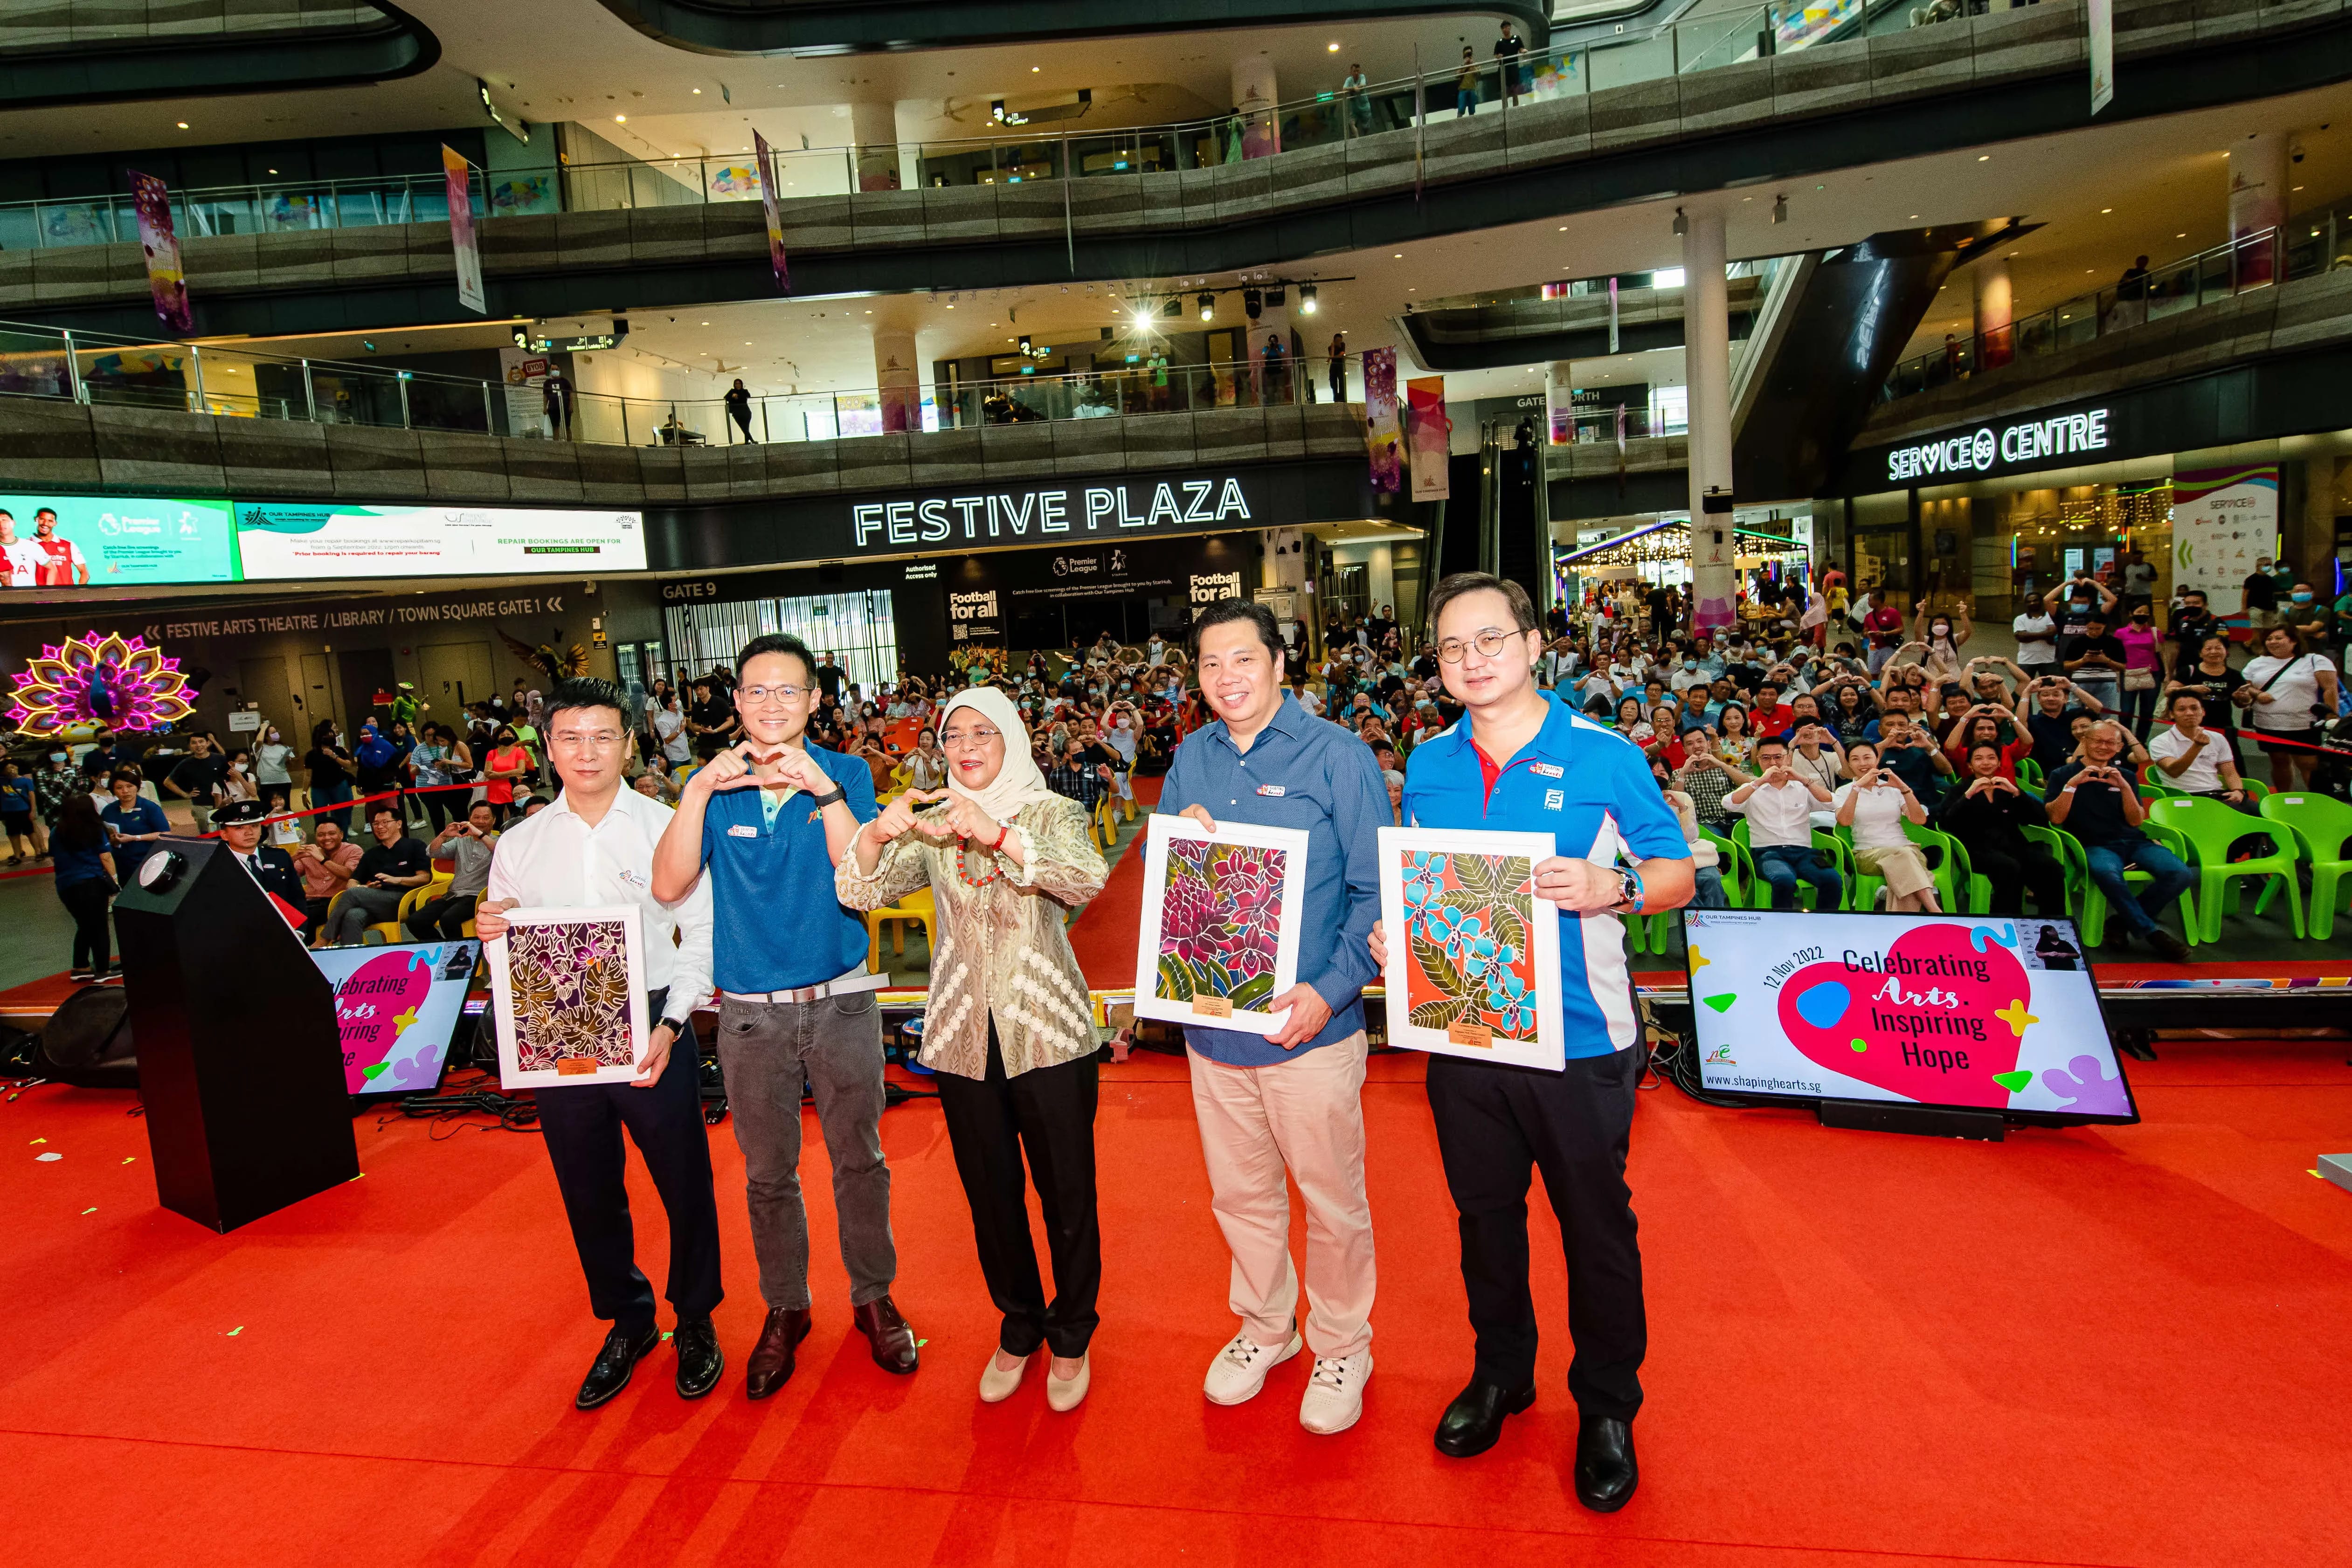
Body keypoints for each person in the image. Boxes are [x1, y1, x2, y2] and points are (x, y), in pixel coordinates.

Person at [1377, 572, 1692, 1508]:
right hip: (1464, 1032)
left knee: (1595, 1227)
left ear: (1531, 642)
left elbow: (1674, 869)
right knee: (1483, 1219)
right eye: (1450, 649)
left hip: (1583, 1041)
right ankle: (1502, 1372)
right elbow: (1424, 880)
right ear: (1435, 667)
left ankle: (1605, 1404)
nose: (1471, 660)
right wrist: (1401, 932)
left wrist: (1616, 889)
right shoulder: (1427, 763)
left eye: (1489, 640)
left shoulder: (1602, 755)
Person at [650, 632, 920, 1397]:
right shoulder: (706, 782)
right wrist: (698, 790)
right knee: (768, 1174)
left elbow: (858, 880)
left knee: (859, 1160)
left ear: (813, 699)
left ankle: (873, 1295)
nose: (772, 705)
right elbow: (669, 886)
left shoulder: (847, 772)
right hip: (748, 1015)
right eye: (756, 691)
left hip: (840, 998)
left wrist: (824, 793)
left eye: (788, 691)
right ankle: (786, 1306)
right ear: (735, 701)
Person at [837, 688, 1108, 1411]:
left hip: (1049, 1032)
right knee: (991, 1196)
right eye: (954, 732)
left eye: (984, 732)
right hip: (961, 1037)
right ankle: (1020, 1323)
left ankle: (1073, 1331)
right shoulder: (931, 823)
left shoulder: (1051, 811)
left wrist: (998, 833)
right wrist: (877, 832)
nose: (967, 745)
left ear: (1012, 738)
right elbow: (859, 890)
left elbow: (1085, 876)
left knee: (1068, 1194)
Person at [1160, 598, 1388, 1436]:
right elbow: (1178, 890)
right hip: (1214, 1028)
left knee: (1331, 1201)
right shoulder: (1190, 755)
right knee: (1240, 1197)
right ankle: (1265, 1326)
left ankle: (1340, 1341)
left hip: (1310, 1032)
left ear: (1279, 664)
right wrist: (1170, 845)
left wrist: (1327, 991)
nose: (1227, 678)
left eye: (1243, 660)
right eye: (1211, 664)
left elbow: (1373, 898)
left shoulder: (1339, 757)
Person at [476, 677, 725, 1410]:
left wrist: (674, 1022)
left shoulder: (663, 825)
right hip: (559, 1029)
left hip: (653, 1021)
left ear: (629, 741)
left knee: (684, 1179)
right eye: (572, 737)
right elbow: (504, 950)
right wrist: (497, 930)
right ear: (548, 747)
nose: (588, 751)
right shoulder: (519, 843)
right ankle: (628, 1318)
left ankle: (698, 1318)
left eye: (604, 735)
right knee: (587, 1186)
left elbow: (699, 934)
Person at [2045, 722, 2194, 960]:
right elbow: (2055, 817)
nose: (2103, 747)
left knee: (2181, 873)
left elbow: (2136, 821)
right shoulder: (2062, 775)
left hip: (2134, 842)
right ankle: (2150, 932)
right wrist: (2073, 785)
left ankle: (2120, 922)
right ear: (2085, 741)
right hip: (2093, 845)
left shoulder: (2125, 776)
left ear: (2119, 747)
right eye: (2098, 741)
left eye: (2110, 743)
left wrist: (2124, 787)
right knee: (2108, 874)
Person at [1935, 743, 2066, 917]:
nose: (1986, 763)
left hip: (2013, 845)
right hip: (1975, 849)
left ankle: (2052, 922)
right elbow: (1946, 823)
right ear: (1970, 765)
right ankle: (2005, 920)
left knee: (2051, 867)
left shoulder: (2007, 789)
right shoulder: (1960, 790)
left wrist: (2017, 793)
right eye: (1979, 758)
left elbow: (2038, 819)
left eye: (1991, 758)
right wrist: (1968, 795)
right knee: (2010, 868)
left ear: (1999, 763)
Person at [1725, 735, 1841, 910]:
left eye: (1778, 757)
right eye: (1766, 758)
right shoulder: (1753, 789)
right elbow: (1729, 804)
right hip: (1768, 853)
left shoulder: (1802, 787)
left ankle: (1822, 924)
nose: (1773, 763)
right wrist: (1761, 781)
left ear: (1788, 758)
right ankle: (1783, 928)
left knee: (1832, 880)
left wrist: (1803, 779)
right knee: (1784, 879)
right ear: (1758, 761)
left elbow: (1832, 802)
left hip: (1804, 853)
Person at [1833, 742, 1938, 912]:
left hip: (1907, 850)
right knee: (1904, 857)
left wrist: (1904, 788)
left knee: (1904, 860)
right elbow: (1844, 821)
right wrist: (1857, 788)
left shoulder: (1893, 789)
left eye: (1867, 758)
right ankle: (1934, 910)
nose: (1863, 763)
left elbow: (1919, 820)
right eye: (1856, 759)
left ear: (1877, 760)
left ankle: (1901, 923)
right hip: (1867, 854)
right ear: (1849, 764)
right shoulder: (1844, 792)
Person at [2240, 624, 2342, 793]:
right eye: (2269, 639)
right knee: (2279, 761)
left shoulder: (2315, 660)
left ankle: (2318, 801)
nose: (2273, 642)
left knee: (2308, 764)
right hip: (2267, 723)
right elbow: (2244, 686)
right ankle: (2284, 798)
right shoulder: (2256, 663)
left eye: (2279, 638)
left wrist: (2332, 715)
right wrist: (2257, 694)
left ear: (2294, 641)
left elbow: (2330, 689)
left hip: (2305, 723)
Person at [319, 803, 432, 945]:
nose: (379, 827)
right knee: (352, 915)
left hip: (406, 899)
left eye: (385, 822)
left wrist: (398, 880)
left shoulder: (415, 846)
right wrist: (366, 890)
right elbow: (352, 882)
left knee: (353, 894)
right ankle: (355, 961)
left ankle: (325, 939)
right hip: (376, 902)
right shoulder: (371, 854)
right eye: (376, 823)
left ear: (399, 824)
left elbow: (424, 878)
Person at [407, 801, 500, 939]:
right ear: (470, 820)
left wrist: (480, 835)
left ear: (494, 820)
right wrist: (444, 835)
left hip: (479, 897)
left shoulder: (500, 841)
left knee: (449, 919)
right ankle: (443, 952)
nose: (480, 822)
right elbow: (433, 852)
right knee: (415, 921)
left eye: (485, 818)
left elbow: (500, 852)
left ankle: (461, 957)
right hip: (453, 895)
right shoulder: (461, 840)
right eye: (476, 818)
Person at [50, 794, 116, 981]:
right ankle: (104, 970)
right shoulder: (94, 829)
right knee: (100, 927)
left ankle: (81, 966)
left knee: (85, 925)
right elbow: (105, 857)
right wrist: (115, 880)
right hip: (91, 884)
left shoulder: (57, 831)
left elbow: (55, 858)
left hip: (66, 885)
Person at [2147, 692, 2249, 807]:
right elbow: (2174, 771)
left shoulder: (2218, 738)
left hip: (2217, 795)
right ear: (2172, 714)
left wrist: (2238, 791)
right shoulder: (2159, 742)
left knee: (2259, 813)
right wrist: (2197, 746)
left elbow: (2230, 773)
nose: (2190, 713)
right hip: (2184, 799)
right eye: (2182, 709)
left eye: (2195, 708)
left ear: (2203, 712)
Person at [291, 818, 361, 943]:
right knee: (284, 915)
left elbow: (351, 875)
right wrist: (293, 859)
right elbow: (288, 878)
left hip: (337, 902)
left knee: (304, 917)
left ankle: (309, 954)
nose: (326, 838)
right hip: (310, 902)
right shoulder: (309, 853)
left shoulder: (353, 850)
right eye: (321, 835)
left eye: (332, 834)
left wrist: (323, 860)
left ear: (341, 835)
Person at [98, 768, 170, 887]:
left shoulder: (149, 808)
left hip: (146, 862)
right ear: (113, 791)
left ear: (137, 787)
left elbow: (165, 834)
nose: (125, 791)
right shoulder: (108, 811)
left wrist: (135, 838)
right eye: (119, 788)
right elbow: (104, 836)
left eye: (130, 786)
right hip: (119, 864)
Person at [163, 732, 229, 836]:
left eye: (201, 742)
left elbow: (231, 777)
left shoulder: (220, 759)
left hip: (223, 802)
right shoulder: (186, 763)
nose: (198, 745)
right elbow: (168, 782)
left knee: (227, 832)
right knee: (208, 834)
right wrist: (186, 795)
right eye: (194, 743)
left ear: (208, 743)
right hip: (201, 804)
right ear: (190, 746)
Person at [2116, 601, 2164, 736]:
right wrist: (2117, 675)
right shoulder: (2121, 633)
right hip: (2129, 674)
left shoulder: (2155, 632)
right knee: (2126, 711)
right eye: (2139, 612)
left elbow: (2163, 653)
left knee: (2147, 711)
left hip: (2152, 674)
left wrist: (2168, 674)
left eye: (2146, 612)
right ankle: (2125, 742)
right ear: (2131, 614)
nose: (2143, 615)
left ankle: (2141, 741)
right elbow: (2116, 655)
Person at [305, 722, 356, 832]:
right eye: (326, 736)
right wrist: (304, 793)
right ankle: (322, 837)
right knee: (320, 815)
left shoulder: (339, 750)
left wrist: (334, 756)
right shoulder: (312, 754)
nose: (330, 738)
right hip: (319, 788)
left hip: (338, 785)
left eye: (331, 735)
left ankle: (343, 838)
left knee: (341, 813)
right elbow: (308, 774)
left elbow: (348, 765)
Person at [482, 725, 532, 824]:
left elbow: (521, 770)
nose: (506, 736)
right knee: (496, 819)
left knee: (518, 817)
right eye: (503, 735)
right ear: (497, 738)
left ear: (514, 736)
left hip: (513, 790)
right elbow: (487, 773)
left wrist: (497, 774)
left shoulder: (519, 752)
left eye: (509, 734)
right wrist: (511, 773)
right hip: (495, 791)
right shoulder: (492, 753)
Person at [28, 507, 89, 587]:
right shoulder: (27, 545)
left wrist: (76, 594)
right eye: (42, 519)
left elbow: (84, 573)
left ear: (55, 524)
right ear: (36, 520)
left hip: (66, 596)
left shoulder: (68, 544)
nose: (45, 523)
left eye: (50, 521)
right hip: (39, 596)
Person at [0, 757, 39, 865]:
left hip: (24, 811)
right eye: (8, 768)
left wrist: (33, 810)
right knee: (13, 834)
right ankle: (17, 856)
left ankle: (38, 852)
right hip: (9, 812)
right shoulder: (2, 781)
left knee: (30, 832)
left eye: (13, 767)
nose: (11, 770)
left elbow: (32, 795)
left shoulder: (25, 781)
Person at [253, 724, 296, 812]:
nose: (276, 734)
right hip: (267, 783)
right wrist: (264, 728)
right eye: (273, 733)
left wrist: (288, 760)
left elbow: (292, 766)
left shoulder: (283, 747)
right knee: (268, 809)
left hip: (284, 781)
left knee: (285, 808)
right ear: (267, 736)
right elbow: (259, 741)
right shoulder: (260, 747)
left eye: (276, 732)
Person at [2242, 555, 2281, 632]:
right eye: (2267, 565)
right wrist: (2244, 608)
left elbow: (2273, 594)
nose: (2269, 567)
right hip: (2255, 607)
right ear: (2258, 566)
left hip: (2269, 608)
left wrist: (2276, 606)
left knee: (2268, 630)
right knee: (2257, 629)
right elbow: (2245, 594)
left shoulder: (2271, 579)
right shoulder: (2251, 579)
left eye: (2271, 565)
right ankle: (2257, 643)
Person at [1494, 20, 1526, 105]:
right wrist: (1499, 57)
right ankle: (1506, 111)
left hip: (1514, 69)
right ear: (1502, 30)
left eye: (1507, 27)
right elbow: (1496, 56)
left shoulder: (1517, 38)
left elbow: (1521, 49)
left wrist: (1523, 51)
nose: (1505, 29)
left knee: (1515, 92)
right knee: (1505, 93)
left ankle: (1516, 110)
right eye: (1503, 28)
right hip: (1504, 70)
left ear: (1510, 27)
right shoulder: (1500, 42)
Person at [542, 366, 576, 440]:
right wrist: (545, 407)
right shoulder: (547, 383)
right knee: (555, 428)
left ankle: (570, 445)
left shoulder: (565, 381)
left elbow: (570, 393)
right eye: (553, 369)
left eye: (557, 369)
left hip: (565, 407)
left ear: (559, 370)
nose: (555, 371)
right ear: (550, 371)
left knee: (567, 427)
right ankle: (557, 446)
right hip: (553, 408)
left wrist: (571, 404)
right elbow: (545, 396)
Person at [724, 378, 756, 443]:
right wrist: (732, 396)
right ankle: (751, 441)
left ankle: (748, 442)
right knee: (744, 428)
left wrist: (738, 396)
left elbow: (748, 396)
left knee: (746, 428)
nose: (738, 385)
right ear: (734, 385)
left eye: (739, 384)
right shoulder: (732, 391)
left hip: (746, 412)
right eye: (736, 384)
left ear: (741, 384)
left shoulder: (745, 391)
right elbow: (726, 398)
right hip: (737, 413)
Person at [1455, 45, 1479, 116]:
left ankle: (1473, 125)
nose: (1468, 56)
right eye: (1466, 54)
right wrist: (1465, 66)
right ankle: (1459, 124)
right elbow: (1456, 75)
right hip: (1463, 90)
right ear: (1463, 56)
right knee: (1461, 109)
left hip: (1472, 89)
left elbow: (1479, 74)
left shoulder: (1475, 65)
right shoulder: (1461, 66)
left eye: (1470, 54)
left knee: (1472, 110)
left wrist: (1472, 65)